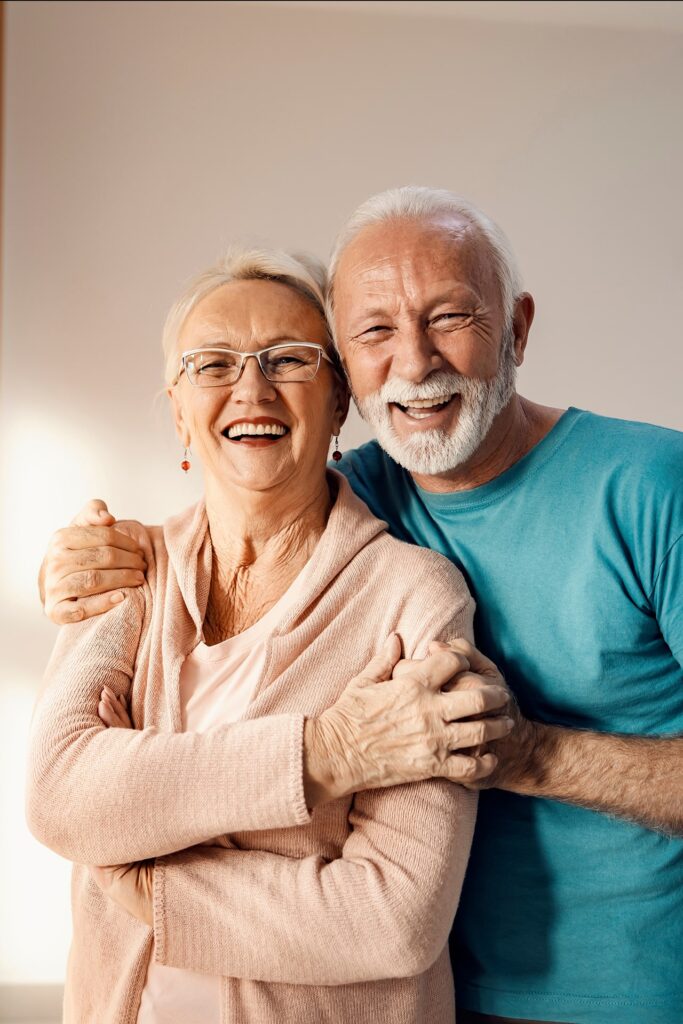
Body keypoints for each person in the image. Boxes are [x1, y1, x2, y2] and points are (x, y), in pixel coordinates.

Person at [40, 186, 683, 1024]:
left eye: (451, 317)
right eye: (375, 331)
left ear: (517, 328)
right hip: (460, 991)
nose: (414, 366)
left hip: (634, 993)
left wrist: (524, 753)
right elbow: (58, 793)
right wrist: (68, 568)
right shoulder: (357, 491)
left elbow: (389, 915)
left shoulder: (645, 489)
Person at [27, 245, 516, 1024]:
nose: (250, 388)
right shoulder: (124, 568)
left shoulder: (414, 595)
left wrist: (149, 889)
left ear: (338, 402)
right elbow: (59, 799)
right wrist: (327, 753)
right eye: (212, 364)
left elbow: (391, 919)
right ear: (178, 407)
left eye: (288, 359)